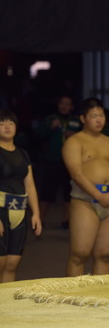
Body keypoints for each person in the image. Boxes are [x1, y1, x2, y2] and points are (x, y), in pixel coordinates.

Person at [62, 98, 109, 276]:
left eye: (101, 115)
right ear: (83, 118)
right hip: (85, 201)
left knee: (104, 255)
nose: (99, 120)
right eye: (93, 116)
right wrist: (99, 196)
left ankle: (99, 292)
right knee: (79, 254)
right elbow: (76, 174)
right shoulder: (74, 142)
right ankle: (73, 292)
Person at [0, 109, 42, 282]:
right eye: (2, 123)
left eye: (10, 123)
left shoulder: (23, 153)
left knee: (12, 263)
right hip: (0, 210)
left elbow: (29, 184)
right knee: (0, 263)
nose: (7, 127)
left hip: (20, 211)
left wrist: (36, 213)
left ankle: (6, 299)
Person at [36, 95, 81, 229]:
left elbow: (86, 138)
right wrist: (50, 128)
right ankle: (40, 219)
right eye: (62, 103)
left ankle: (67, 221)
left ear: (72, 106)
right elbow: (38, 134)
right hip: (53, 160)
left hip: (71, 162)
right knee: (47, 191)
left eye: (67, 104)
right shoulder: (51, 119)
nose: (64, 106)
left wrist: (75, 136)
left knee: (69, 192)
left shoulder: (77, 121)